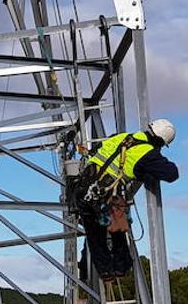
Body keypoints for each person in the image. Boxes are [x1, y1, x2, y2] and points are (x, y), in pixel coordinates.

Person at [77, 119, 180, 281]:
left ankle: (105, 272)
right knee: (118, 233)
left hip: (83, 188)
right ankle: (120, 268)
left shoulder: (121, 137)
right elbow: (171, 174)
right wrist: (147, 170)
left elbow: (97, 149)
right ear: (160, 142)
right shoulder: (147, 154)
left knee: (94, 236)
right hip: (107, 194)